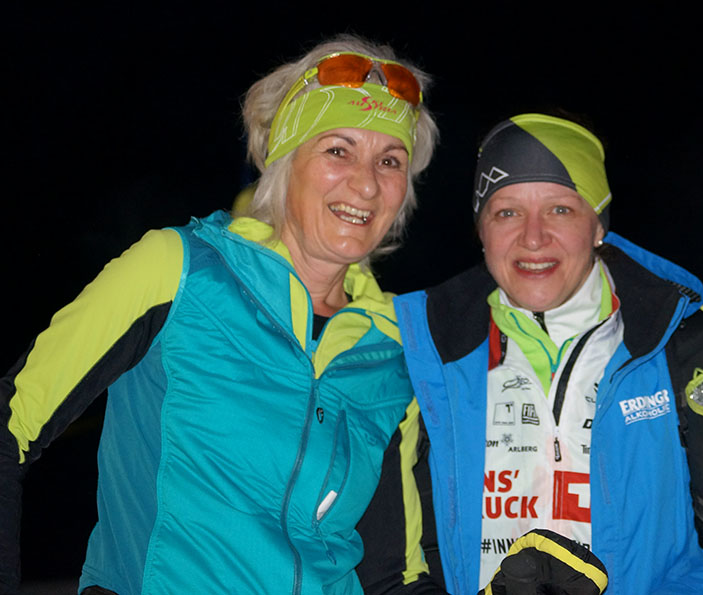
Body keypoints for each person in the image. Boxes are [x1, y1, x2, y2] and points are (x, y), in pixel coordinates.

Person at [0, 35, 440, 594]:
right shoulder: (178, 269)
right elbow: (10, 422)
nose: (367, 182)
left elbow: (391, 574)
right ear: (284, 159)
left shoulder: (397, 351)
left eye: (390, 161)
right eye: (338, 150)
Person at [393, 113, 703, 593]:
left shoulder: (696, 350)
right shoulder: (421, 353)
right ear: (481, 231)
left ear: (598, 226)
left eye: (560, 209)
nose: (533, 237)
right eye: (506, 212)